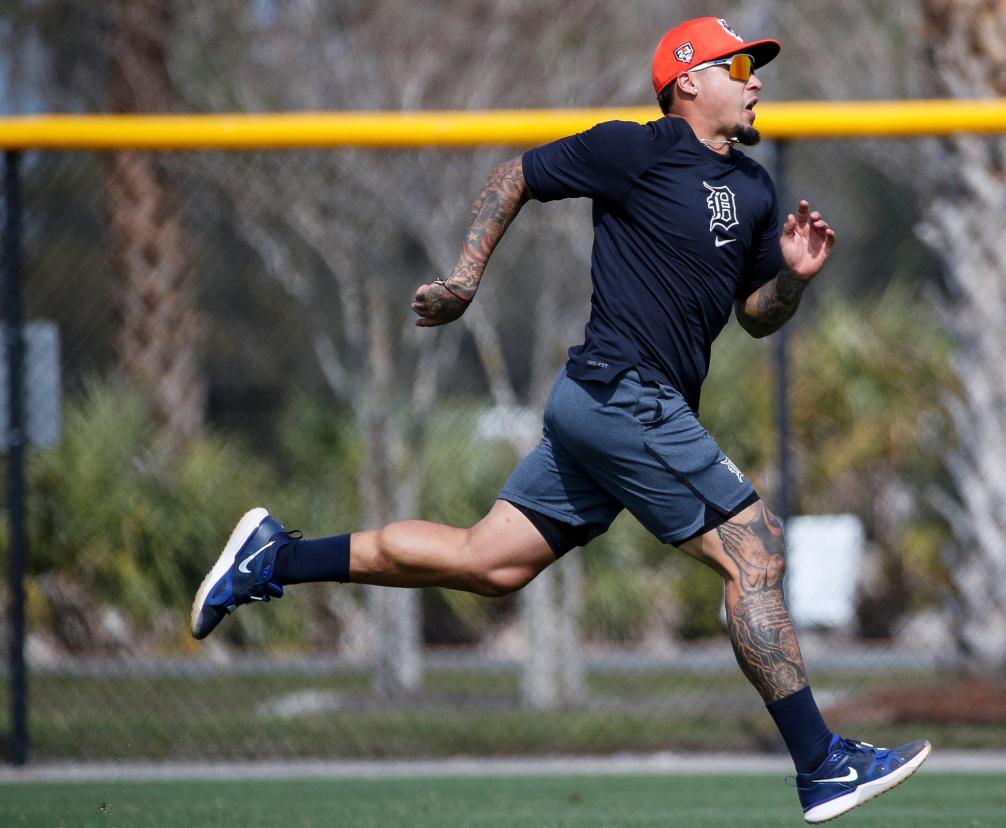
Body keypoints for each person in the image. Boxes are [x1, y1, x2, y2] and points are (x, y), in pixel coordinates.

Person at [190, 16, 929, 823]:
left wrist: (793, 278)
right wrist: (466, 279)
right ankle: (821, 763)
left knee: (488, 562)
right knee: (756, 551)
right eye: (741, 65)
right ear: (689, 80)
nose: (756, 79)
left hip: (614, 409)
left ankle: (276, 560)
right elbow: (517, 175)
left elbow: (756, 317)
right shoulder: (634, 150)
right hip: (622, 394)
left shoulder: (754, 188)